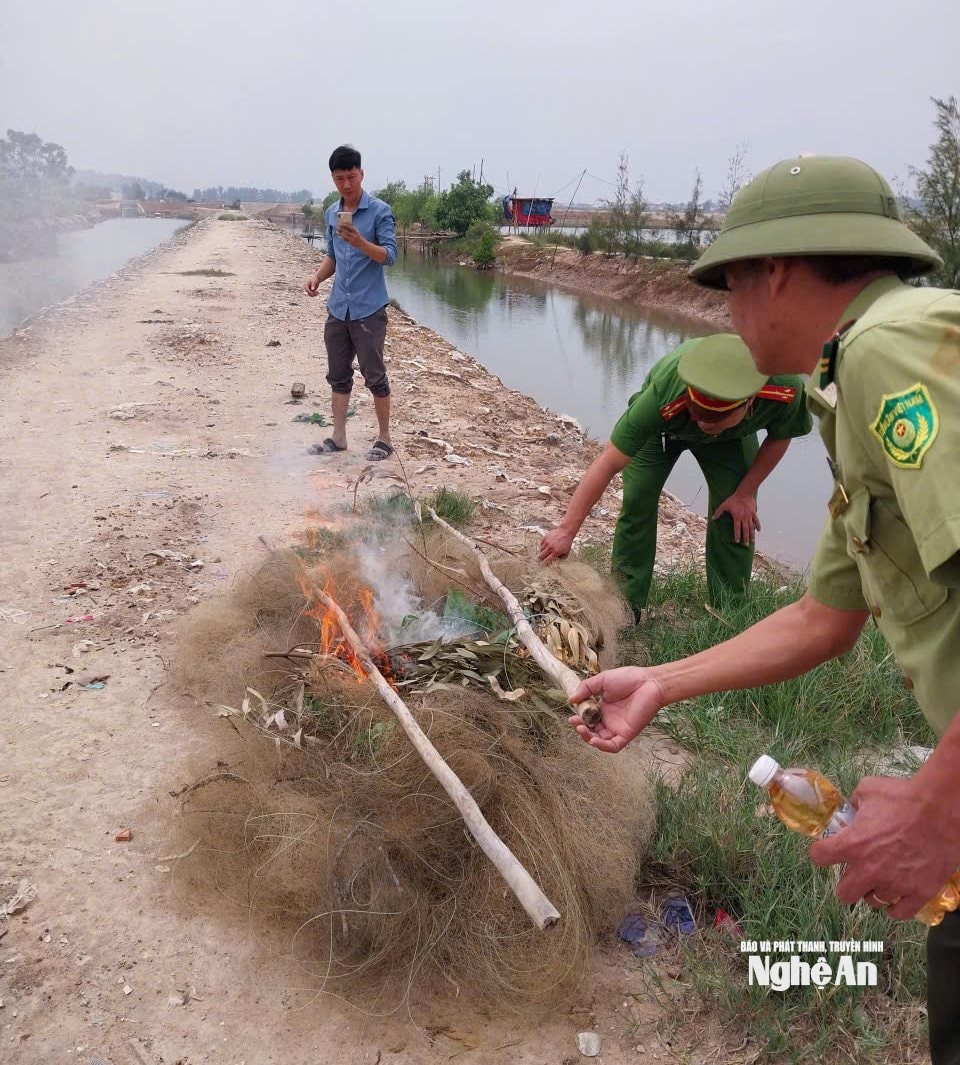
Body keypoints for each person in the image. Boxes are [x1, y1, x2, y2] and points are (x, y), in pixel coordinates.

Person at [568, 155, 959, 1064]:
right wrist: (660, 682)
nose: (727, 313)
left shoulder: (888, 350)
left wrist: (938, 802)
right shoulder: (844, 383)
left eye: (730, 285)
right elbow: (825, 616)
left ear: (775, 271)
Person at [538, 334, 811, 615]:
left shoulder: (784, 384)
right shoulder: (664, 393)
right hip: (664, 429)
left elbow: (782, 435)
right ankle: (625, 605)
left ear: (749, 401)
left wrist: (745, 493)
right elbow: (608, 461)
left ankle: (729, 610)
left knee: (736, 510)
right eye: (699, 414)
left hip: (729, 439)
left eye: (714, 418)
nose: (704, 423)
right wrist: (566, 530)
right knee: (638, 497)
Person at [304, 144, 398, 461]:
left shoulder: (380, 211)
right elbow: (332, 256)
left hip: (369, 309)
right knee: (338, 374)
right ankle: (338, 437)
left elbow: (390, 256)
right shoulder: (332, 213)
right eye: (340, 178)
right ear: (333, 178)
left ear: (362, 174)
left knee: (374, 375)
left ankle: (384, 438)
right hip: (337, 308)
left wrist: (361, 241)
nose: (347, 184)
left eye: (352, 177)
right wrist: (317, 278)